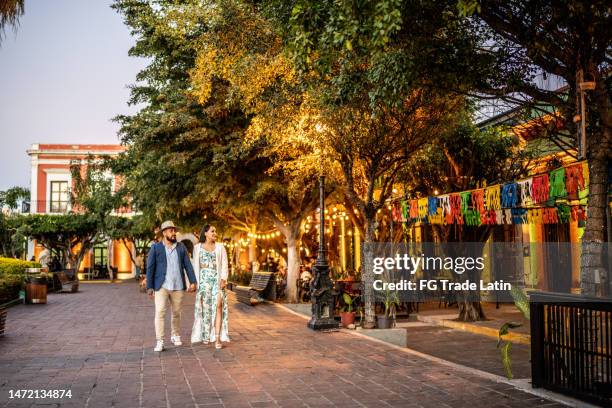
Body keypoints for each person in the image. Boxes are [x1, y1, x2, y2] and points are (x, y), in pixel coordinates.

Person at [146, 221, 197, 352]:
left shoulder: (181, 247)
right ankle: (160, 340)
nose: (174, 233)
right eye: (171, 231)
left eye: (174, 230)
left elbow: (188, 265)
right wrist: (150, 287)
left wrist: (193, 281)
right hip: (161, 285)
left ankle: (175, 335)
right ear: (164, 233)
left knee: (176, 313)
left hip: (178, 286)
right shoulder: (156, 248)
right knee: (160, 312)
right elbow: (150, 268)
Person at [191, 224, 230, 348]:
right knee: (206, 309)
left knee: (219, 306)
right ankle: (206, 335)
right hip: (203, 282)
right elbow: (194, 266)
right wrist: (194, 283)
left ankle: (218, 338)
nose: (215, 233)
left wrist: (223, 279)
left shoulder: (220, 247)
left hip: (217, 281)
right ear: (205, 233)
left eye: (215, 231)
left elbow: (224, 264)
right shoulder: (197, 248)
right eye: (212, 231)